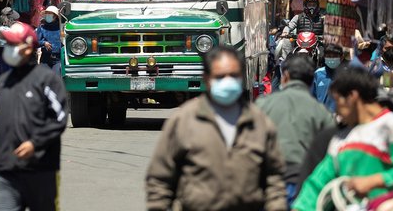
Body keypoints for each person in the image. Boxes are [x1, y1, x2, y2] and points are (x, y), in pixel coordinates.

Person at [145, 45, 286, 211]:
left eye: (233, 76)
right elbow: (159, 180)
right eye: (220, 77)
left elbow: (274, 179)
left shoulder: (259, 123)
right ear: (207, 79)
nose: (227, 82)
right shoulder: (184, 121)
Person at [294, 66, 393, 210]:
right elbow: (318, 181)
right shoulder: (340, 139)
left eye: (337, 101)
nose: (337, 111)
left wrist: (373, 181)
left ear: (352, 97)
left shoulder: (391, 126)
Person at [0, 22, 68, 211]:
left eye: (13, 44)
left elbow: (59, 117)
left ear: (28, 47)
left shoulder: (46, 79)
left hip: (40, 169)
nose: (8, 49)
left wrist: (35, 143)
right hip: (4, 168)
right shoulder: (3, 82)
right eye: (7, 44)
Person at [257, 54, 334, 207]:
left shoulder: (262, 105)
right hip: (306, 185)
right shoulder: (321, 112)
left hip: (269, 184)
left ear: (285, 76)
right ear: (312, 80)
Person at [311, 42, 345, 112]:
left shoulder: (347, 75)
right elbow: (312, 97)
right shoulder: (318, 74)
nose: (331, 59)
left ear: (341, 58)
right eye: (329, 56)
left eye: (335, 56)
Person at [36, 6, 62, 73]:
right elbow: (35, 42)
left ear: (55, 16)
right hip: (45, 58)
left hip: (58, 59)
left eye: (50, 14)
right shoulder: (42, 27)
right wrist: (44, 43)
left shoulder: (61, 28)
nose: (48, 15)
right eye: (47, 14)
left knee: (55, 78)